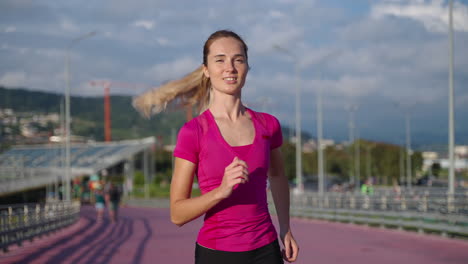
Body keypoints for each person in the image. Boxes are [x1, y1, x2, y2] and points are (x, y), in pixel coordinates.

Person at [133, 30, 299, 263]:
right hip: (216, 254)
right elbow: (177, 214)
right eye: (219, 60)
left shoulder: (268, 125)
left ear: (247, 68)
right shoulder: (194, 132)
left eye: (238, 59)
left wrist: (285, 227)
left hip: (266, 250)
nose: (230, 67)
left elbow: (279, 175)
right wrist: (221, 190)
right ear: (206, 70)